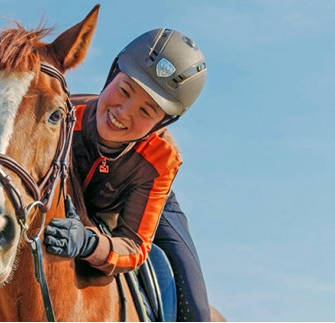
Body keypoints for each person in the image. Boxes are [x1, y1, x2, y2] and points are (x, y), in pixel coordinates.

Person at [43, 28, 210, 321]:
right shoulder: (62, 118)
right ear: (112, 75)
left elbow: (132, 245)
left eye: (146, 111)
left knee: (194, 304)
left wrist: (89, 243)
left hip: (138, 203)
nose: (124, 113)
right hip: (72, 196)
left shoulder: (162, 157)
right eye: (124, 91)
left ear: (163, 123)